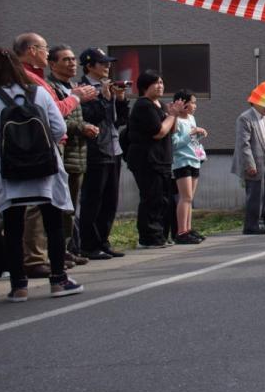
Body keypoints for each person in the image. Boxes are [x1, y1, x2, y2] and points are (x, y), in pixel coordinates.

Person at [0, 48, 84, 300]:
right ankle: (58, 281)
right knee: (53, 224)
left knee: (13, 228)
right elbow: (58, 129)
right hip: (45, 169)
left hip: (9, 172)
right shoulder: (39, 93)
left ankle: (18, 286)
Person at [13, 33, 97, 277]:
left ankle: (51, 254)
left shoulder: (34, 78)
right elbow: (56, 112)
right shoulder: (29, 78)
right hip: (39, 147)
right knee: (37, 204)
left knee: (54, 203)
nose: (46, 53)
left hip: (49, 146)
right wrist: (77, 97)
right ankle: (35, 258)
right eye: (44, 48)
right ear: (31, 50)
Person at [46, 44, 96, 264]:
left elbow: (75, 118)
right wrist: (80, 127)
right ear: (52, 63)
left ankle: (66, 248)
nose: (71, 63)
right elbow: (55, 118)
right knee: (59, 206)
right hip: (62, 153)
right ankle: (54, 251)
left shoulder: (73, 87)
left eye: (73, 59)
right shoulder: (51, 87)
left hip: (79, 152)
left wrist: (87, 125)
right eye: (65, 59)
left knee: (71, 205)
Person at [77, 48, 128, 259]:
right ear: (89, 66)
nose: (107, 66)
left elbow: (121, 120)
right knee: (93, 199)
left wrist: (121, 98)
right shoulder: (83, 89)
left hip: (113, 148)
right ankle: (89, 244)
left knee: (110, 199)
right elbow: (92, 116)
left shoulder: (108, 86)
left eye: (108, 63)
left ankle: (103, 241)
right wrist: (105, 98)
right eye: (102, 63)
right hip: (95, 150)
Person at [125, 70, 182, 248]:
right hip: (146, 159)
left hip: (162, 158)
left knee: (163, 199)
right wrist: (172, 115)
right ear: (144, 87)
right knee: (151, 198)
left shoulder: (161, 105)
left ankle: (161, 235)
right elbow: (158, 132)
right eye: (156, 83)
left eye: (162, 83)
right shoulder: (143, 105)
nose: (160, 86)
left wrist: (174, 114)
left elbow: (171, 130)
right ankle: (149, 238)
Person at [232, 99, 265, 235]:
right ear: (255, 102)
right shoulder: (245, 118)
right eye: (264, 103)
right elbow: (243, 144)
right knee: (255, 194)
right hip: (254, 160)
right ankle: (251, 224)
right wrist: (250, 163)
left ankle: (260, 221)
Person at [170, 90, 207, 245]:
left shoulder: (191, 118)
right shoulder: (175, 120)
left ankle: (188, 229)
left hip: (194, 159)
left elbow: (192, 140)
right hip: (181, 161)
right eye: (192, 102)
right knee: (185, 197)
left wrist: (199, 133)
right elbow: (174, 143)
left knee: (190, 198)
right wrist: (191, 134)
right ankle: (181, 231)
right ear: (183, 103)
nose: (194, 106)